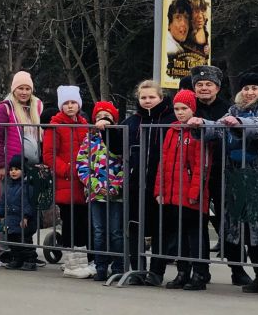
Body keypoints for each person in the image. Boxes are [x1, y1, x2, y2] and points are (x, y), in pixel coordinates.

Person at [198, 72, 258, 295]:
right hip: (241, 178)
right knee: (249, 229)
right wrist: (201, 125)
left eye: (254, 88)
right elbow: (219, 128)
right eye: (246, 88)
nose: (249, 92)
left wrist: (240, 123)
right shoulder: (235, 109)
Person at [189, 65, 250, 286]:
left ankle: (237, 268)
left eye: (209, 84)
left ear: (217, 87)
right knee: (197, 223)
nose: (204, 88)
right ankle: (200, 270)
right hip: (195, 175)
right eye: (200, 85)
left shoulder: (229, 109)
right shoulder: (189, 108)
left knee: (229, 222)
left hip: (224, 172)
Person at [154, 90, 211, 291]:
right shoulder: (171, 130)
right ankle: (183, 271)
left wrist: (196, 192)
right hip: (172, 194)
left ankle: (200, 273)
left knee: (195, 236)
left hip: (190, 194)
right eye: (177, 108)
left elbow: (201, 166)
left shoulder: (198, 131)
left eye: (184, 108)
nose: (180, 112)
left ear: (192, 109)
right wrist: (159, 189)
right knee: (178, 236)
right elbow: (164, 162)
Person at [0, 72, 44, 265]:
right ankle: (4, 250)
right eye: (20, 88)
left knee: (25, 210)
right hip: (8, 167)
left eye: (27, 88)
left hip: (28, 168)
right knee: (5, 209)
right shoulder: (4, 108)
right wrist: (2, 165)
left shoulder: (36, 107)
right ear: (14, 89)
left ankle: (25, 251)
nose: (24, 92)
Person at [124, 80, 173, 284]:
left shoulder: (170, 120)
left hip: (160, 183)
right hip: (136, 182)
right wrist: (104, 129)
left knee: (160, 227)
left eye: (152, 97)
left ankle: (156, 272)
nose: (147, 101)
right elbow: (118, 147)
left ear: (160, 98)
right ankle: (138, 270)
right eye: (143, 97)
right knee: (135, 226)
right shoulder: (132, 121)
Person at [44, 85, 91, 279]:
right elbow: (49, 155)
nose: (70, 106)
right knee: (70, 222)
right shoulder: (54, 126)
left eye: (73, 103)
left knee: (82, 222)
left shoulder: (84, 124)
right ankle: (71, 263)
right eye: (66, 103)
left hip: (82, 182)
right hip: (66, 182)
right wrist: (68, 169)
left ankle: (81, 262)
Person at [76, 101, 125, 282]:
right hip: (96, 193)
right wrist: (93, 183)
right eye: (99, 117)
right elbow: (82, 164)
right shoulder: (90, 139)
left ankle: (119, 266)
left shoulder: (120, 138)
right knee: (98, 231)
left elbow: (126, 163)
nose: (103, 121)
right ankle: (101, 266)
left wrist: (117, 184)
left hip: (116, 193)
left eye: (107, 117)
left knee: (115, 232)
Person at [0, 154, 37, 270]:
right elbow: (3, 201)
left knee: (25, 241)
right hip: (11, 220)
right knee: (12, 241)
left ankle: (30, 260)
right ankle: (17, 259)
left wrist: (26, 216)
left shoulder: (27, 186)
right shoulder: (9, 186)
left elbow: (28, 203)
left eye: (17, 169)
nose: (13, 172)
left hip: (23, 221)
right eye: (11, 170)